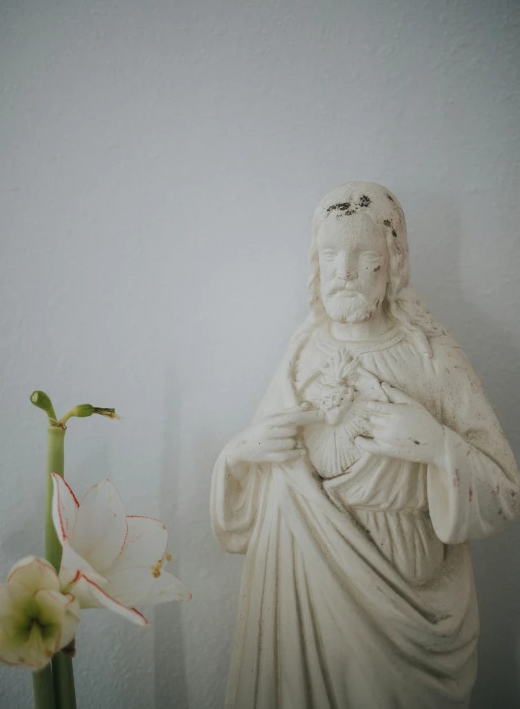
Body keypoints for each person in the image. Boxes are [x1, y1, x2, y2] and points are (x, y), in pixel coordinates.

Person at [211, 181, 520, 709]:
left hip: (411, 615)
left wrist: (437, 445)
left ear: (392, 264)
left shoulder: (433, 357)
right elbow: (254, 484)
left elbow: (505, 490)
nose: (344, 272)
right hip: (309, 597)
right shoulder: (303, 350)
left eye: (363, 256)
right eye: (330, 254)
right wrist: (239, 454)